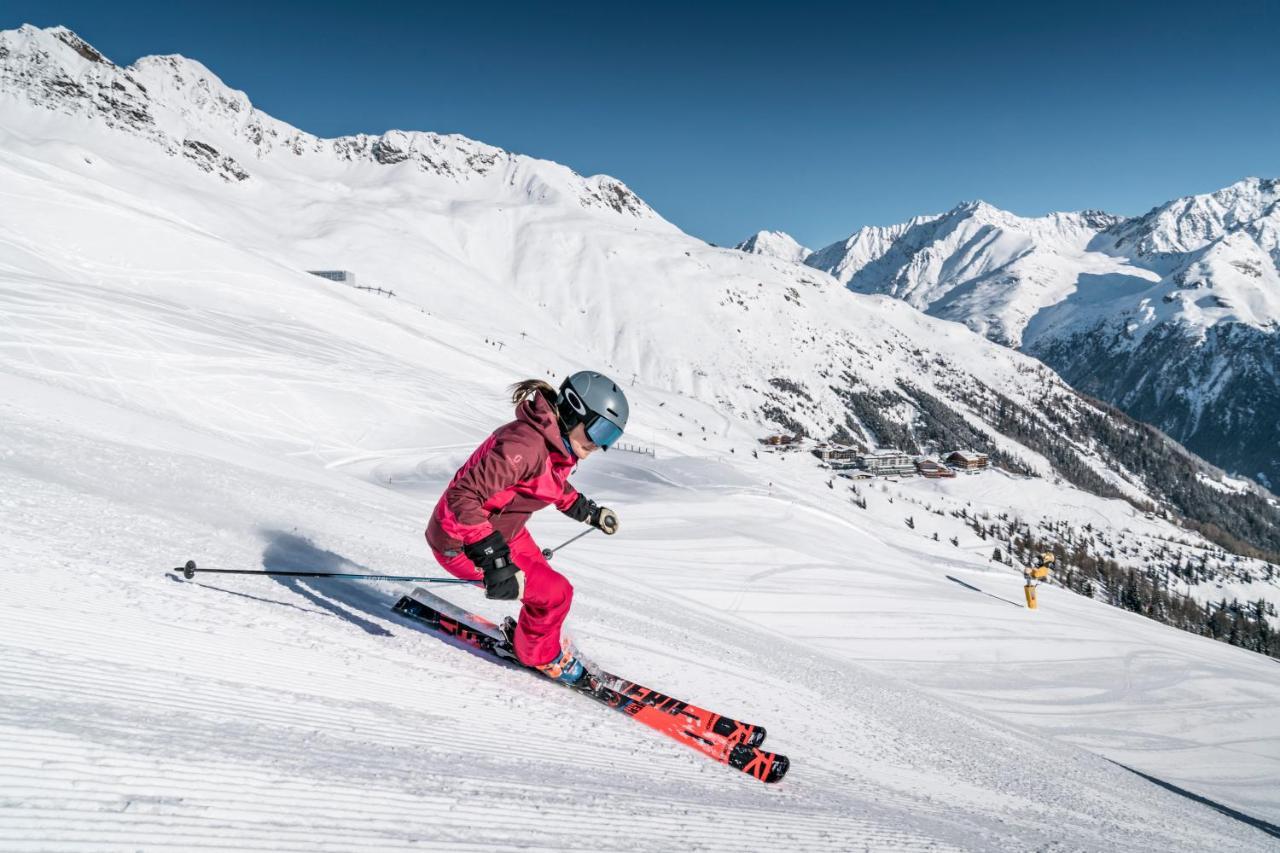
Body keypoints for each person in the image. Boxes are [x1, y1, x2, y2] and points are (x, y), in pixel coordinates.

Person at [425, 371, 628, 684]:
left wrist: (589, 512)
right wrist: (494, 560)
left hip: (504, 532)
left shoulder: (550, 445)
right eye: (599, 430)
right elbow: (461, 498)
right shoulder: (525, 446)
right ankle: (539, 656)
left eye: (609, 438)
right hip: (463, 542)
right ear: (573, 409)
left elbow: (550, 485)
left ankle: (533, 637)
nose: (599, 445)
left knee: (546, 585)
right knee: (556, 594)